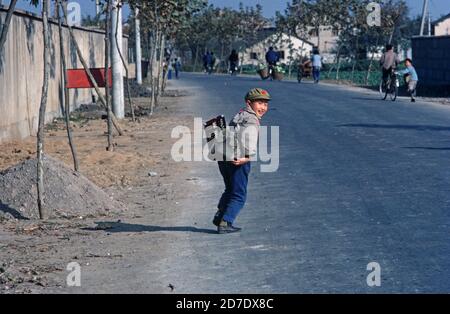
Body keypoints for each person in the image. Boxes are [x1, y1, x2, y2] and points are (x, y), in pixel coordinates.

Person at [212, 88, 271, 234]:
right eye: (259, 103)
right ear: (249, 103)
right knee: (239, 194)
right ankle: (226, 222)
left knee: (230, 188)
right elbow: (248, 141)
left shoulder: (240, 114)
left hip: (224, 156)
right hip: (238, 160)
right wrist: (248, 157)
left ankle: (220, 214)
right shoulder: (252, 119)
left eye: (265, 104)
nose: (263, 107)